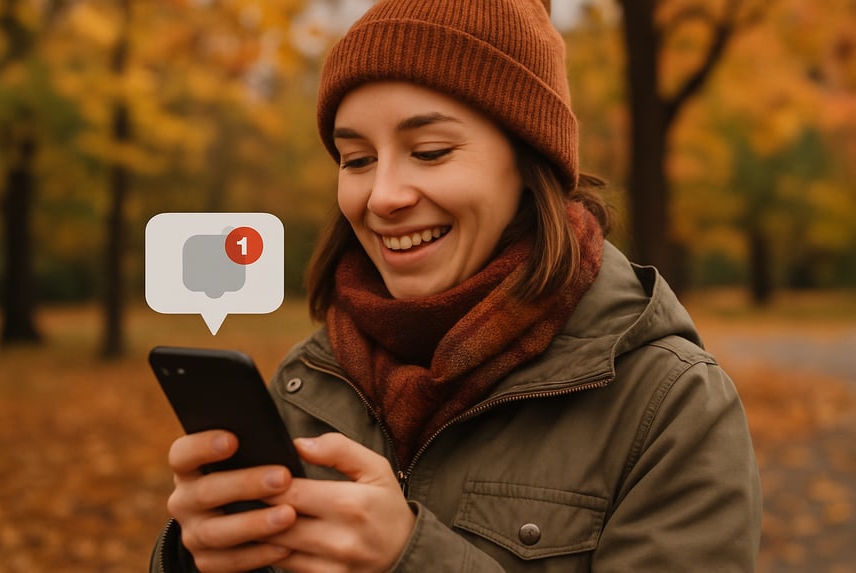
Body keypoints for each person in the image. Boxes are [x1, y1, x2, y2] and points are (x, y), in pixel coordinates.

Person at [151, 0, 762, 571]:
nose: (382, 196)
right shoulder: (309, 382)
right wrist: (196, 555)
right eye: (357, 160)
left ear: (528, 161)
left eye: (430, 151)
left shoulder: (671, 403)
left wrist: (409, 557)